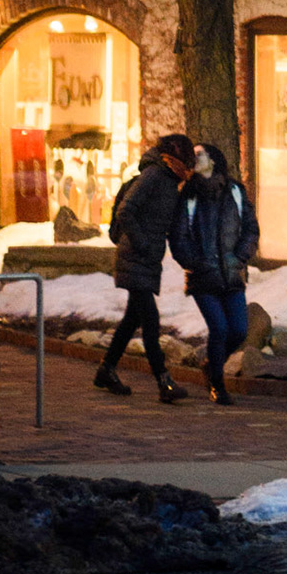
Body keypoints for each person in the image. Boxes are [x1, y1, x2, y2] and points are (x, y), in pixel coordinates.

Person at [94, 132, 194, 401]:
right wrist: (143, 244)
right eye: (187, 160)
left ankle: (106, 370)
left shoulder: (171, 183)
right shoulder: (154, 176)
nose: (190, 167)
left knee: (132, 319)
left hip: (146, 260)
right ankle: (164, 383)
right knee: (150, 320)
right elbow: (126, 210)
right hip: (135, 257)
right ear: (174, 156)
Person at [170, 143, 261, 406]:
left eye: (199, 154)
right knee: (219, 328)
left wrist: (241, 256)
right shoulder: (187, 195)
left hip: (232, 274)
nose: (195, 158)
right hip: (203, 278)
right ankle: (217, 385)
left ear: (213, 159)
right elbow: (178, 237)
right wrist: (195, 263)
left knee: (239, 332)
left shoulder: (235, 191)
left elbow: (250, 228)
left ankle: (212, 365)